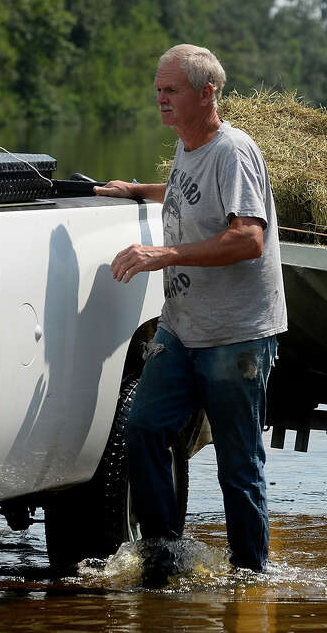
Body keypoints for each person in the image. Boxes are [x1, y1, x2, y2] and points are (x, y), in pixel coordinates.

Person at [95, 44, 287, 575]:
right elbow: (187, 191)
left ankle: (251, 576)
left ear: (206, 94)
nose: (160, 99)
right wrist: (137, 190)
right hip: (183, 328)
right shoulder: (188, 145)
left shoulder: (233, 151)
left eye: (171, 90)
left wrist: (163, 254)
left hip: (236, 333)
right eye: (158, 89)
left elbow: (248, 238)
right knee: (144, 426)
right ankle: (164, 556)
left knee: (237, 463)